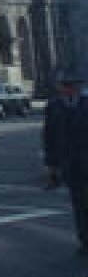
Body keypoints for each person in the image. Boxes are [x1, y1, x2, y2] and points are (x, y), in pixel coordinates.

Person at [42, 69, 88, 253]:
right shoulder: (53, 106)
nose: (68, 88)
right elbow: (49, 138)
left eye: (72, 85)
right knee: (79, 205)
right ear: (60, 87)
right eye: (65, 85)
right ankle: (85, 241)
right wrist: (50, 166)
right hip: (70, 165)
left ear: (78, 86)